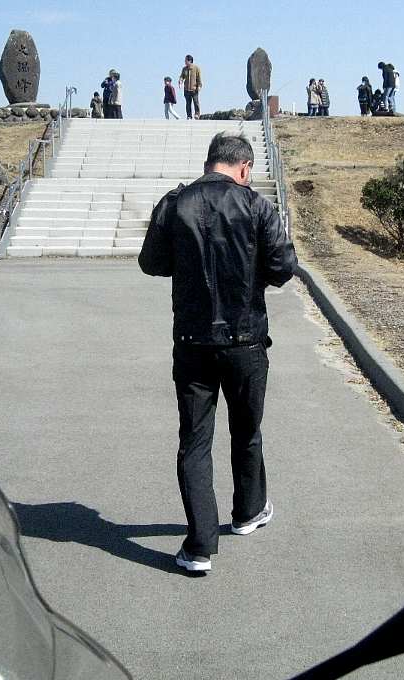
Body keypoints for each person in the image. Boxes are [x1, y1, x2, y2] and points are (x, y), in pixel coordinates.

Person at [138, 132, 298, 573]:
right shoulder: (257, 206)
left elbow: (151, 262)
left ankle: (200, 547)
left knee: (194, 441)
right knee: (247, 431)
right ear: (244, 168)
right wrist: (252, 275)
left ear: (210, 163)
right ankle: (248, 512)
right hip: (246, 340)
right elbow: (285, 267)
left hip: (192, 342)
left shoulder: (175, 203)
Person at [178, 54, 203, 119]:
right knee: (188, 104)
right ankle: (189, 116)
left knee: (196, 102)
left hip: (194, 89)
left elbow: (199, 78)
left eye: (186, 60)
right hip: (186, 89)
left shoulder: (196, 68)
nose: (185, 62)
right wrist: (180, 82)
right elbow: (182, 76)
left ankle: (197, 114)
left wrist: (199, 86)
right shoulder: (184, 69)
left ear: (190, 61)